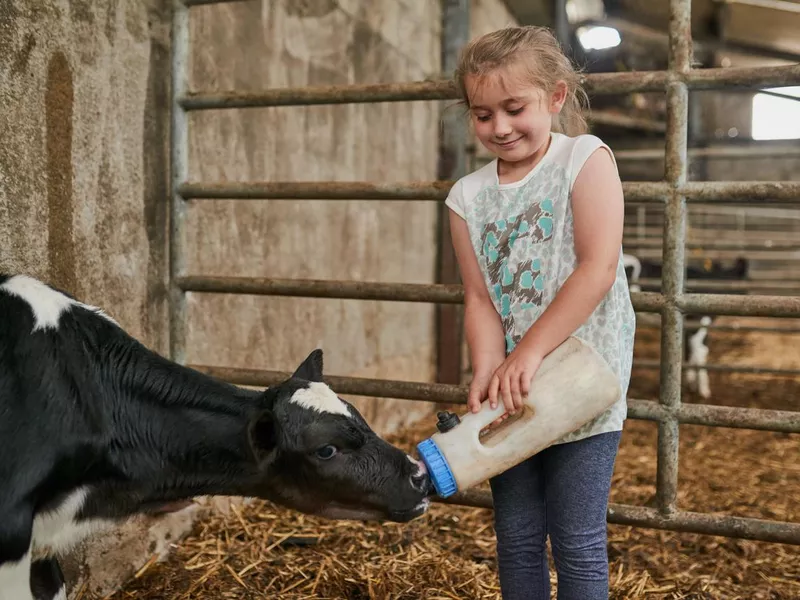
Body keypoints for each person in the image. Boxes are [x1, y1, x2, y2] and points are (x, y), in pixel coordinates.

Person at [445, 25, 636, 600]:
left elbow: (598, 267)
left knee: (576, 537)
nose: (499, 127)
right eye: (482, 115)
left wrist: (528, 352)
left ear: (555, 97)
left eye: (514, 108)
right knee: (518, 535)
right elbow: (478, 298)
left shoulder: (584, 158)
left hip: (582, 377)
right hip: (509, 385)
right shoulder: (466, 197)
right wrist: (487, 368)